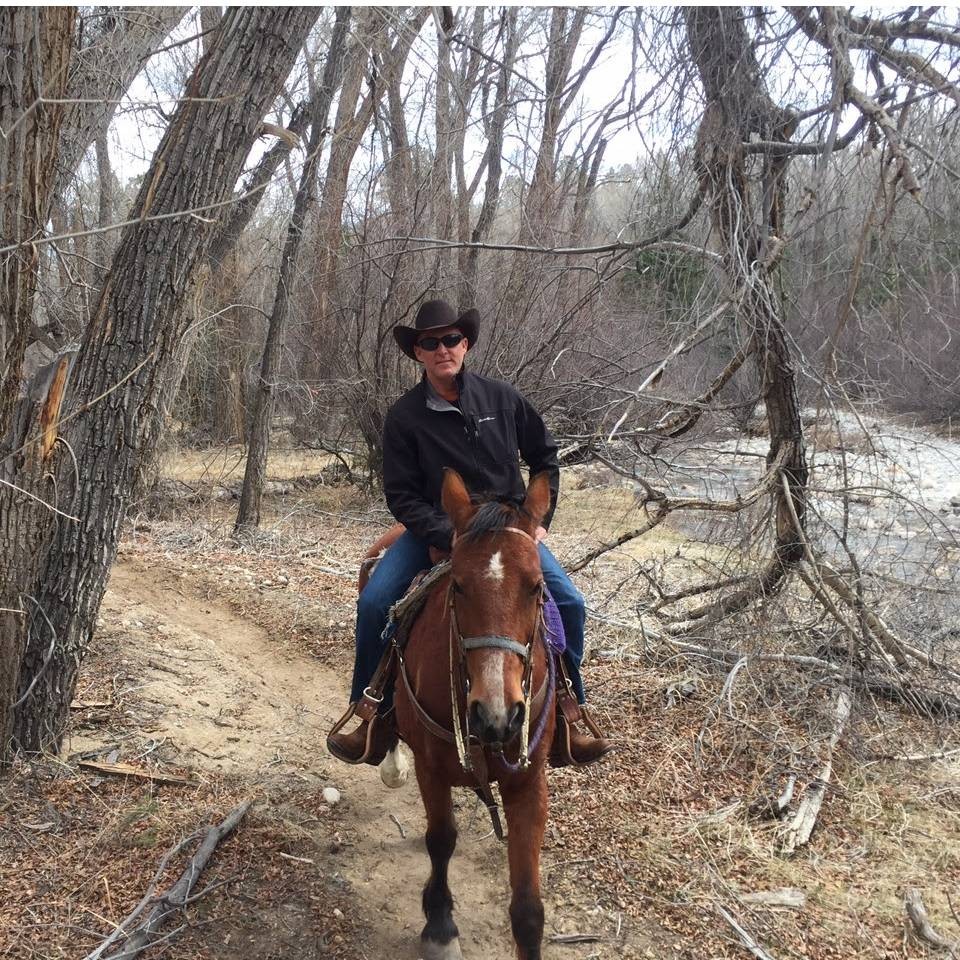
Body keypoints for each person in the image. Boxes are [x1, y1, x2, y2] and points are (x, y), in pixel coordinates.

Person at [327, 299, 613, 767]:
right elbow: (401, 495)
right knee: (376, 601)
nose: (443, 349)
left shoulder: (504, 399)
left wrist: (539, 522)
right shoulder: (405, 416)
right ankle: (371, 715)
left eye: (451, 339)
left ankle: (569, 715)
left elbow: (545, 457)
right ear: (417, 352)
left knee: (570, 603)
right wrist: (447, 533)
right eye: (430, 343)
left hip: (509, 532)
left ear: (466, 345)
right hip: (439, 531)